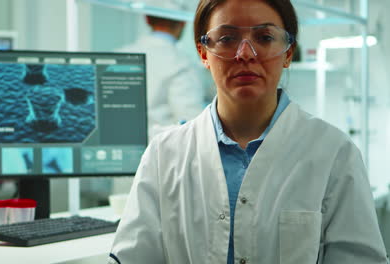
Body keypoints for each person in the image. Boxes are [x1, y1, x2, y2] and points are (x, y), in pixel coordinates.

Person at [108, 0, 389, 263]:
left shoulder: (334, 152)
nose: (245, 54)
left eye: (264, 38)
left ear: (288, 52)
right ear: (203, 53)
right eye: (227, 39)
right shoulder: (163, 154)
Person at [116, 14, 205, 136]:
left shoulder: (119, 56)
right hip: (161, 148)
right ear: (183, 22)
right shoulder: (181, 62)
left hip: (122, 143)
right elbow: (190, 119)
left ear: (146, 19)